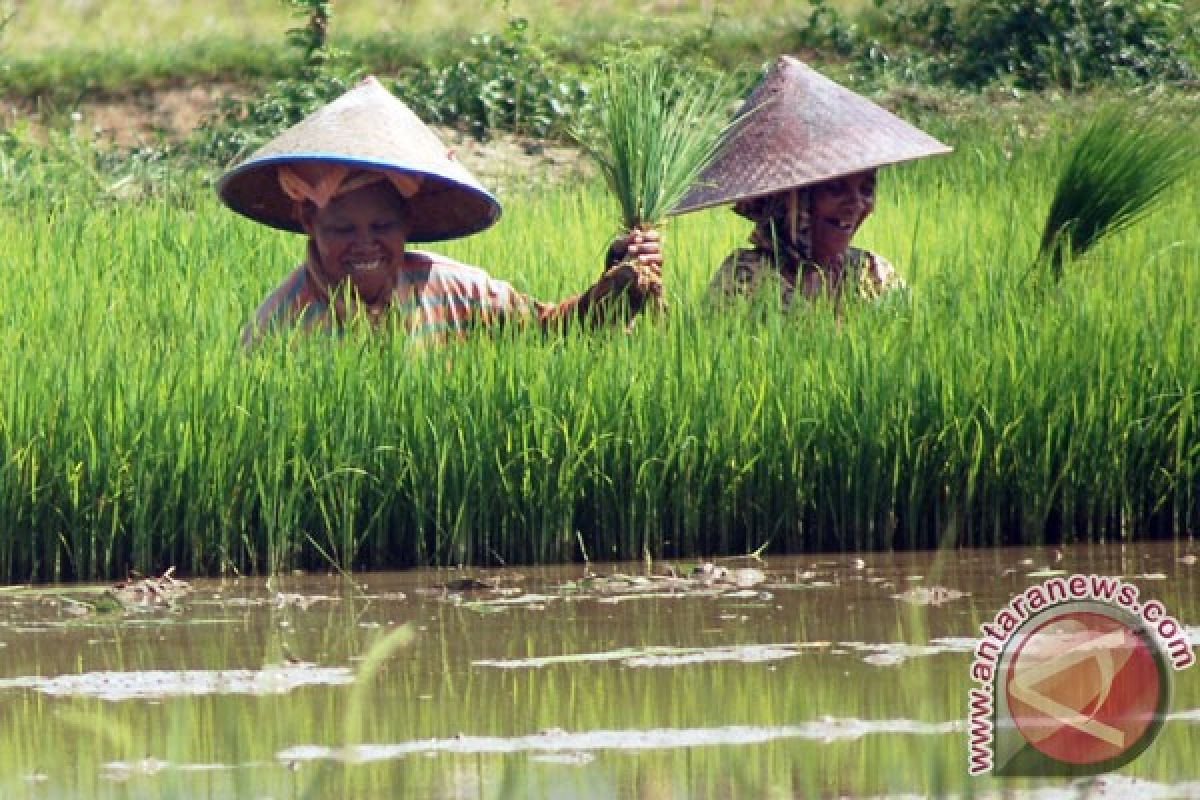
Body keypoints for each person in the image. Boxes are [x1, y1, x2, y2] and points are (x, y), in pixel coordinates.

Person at [219, 77, 662, 347]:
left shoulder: (450, 289)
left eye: (382, 225)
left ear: (408, 223)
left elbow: (549, 335)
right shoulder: (281, 322)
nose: (365, 244)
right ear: (309, 222)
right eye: (343, 228)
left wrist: (615, 286)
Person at [672, 56, 951, 309]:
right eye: (835, 189)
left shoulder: (872, 273)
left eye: (866, 189)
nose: (856, 204)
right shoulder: (744, 278)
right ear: (793, 201)